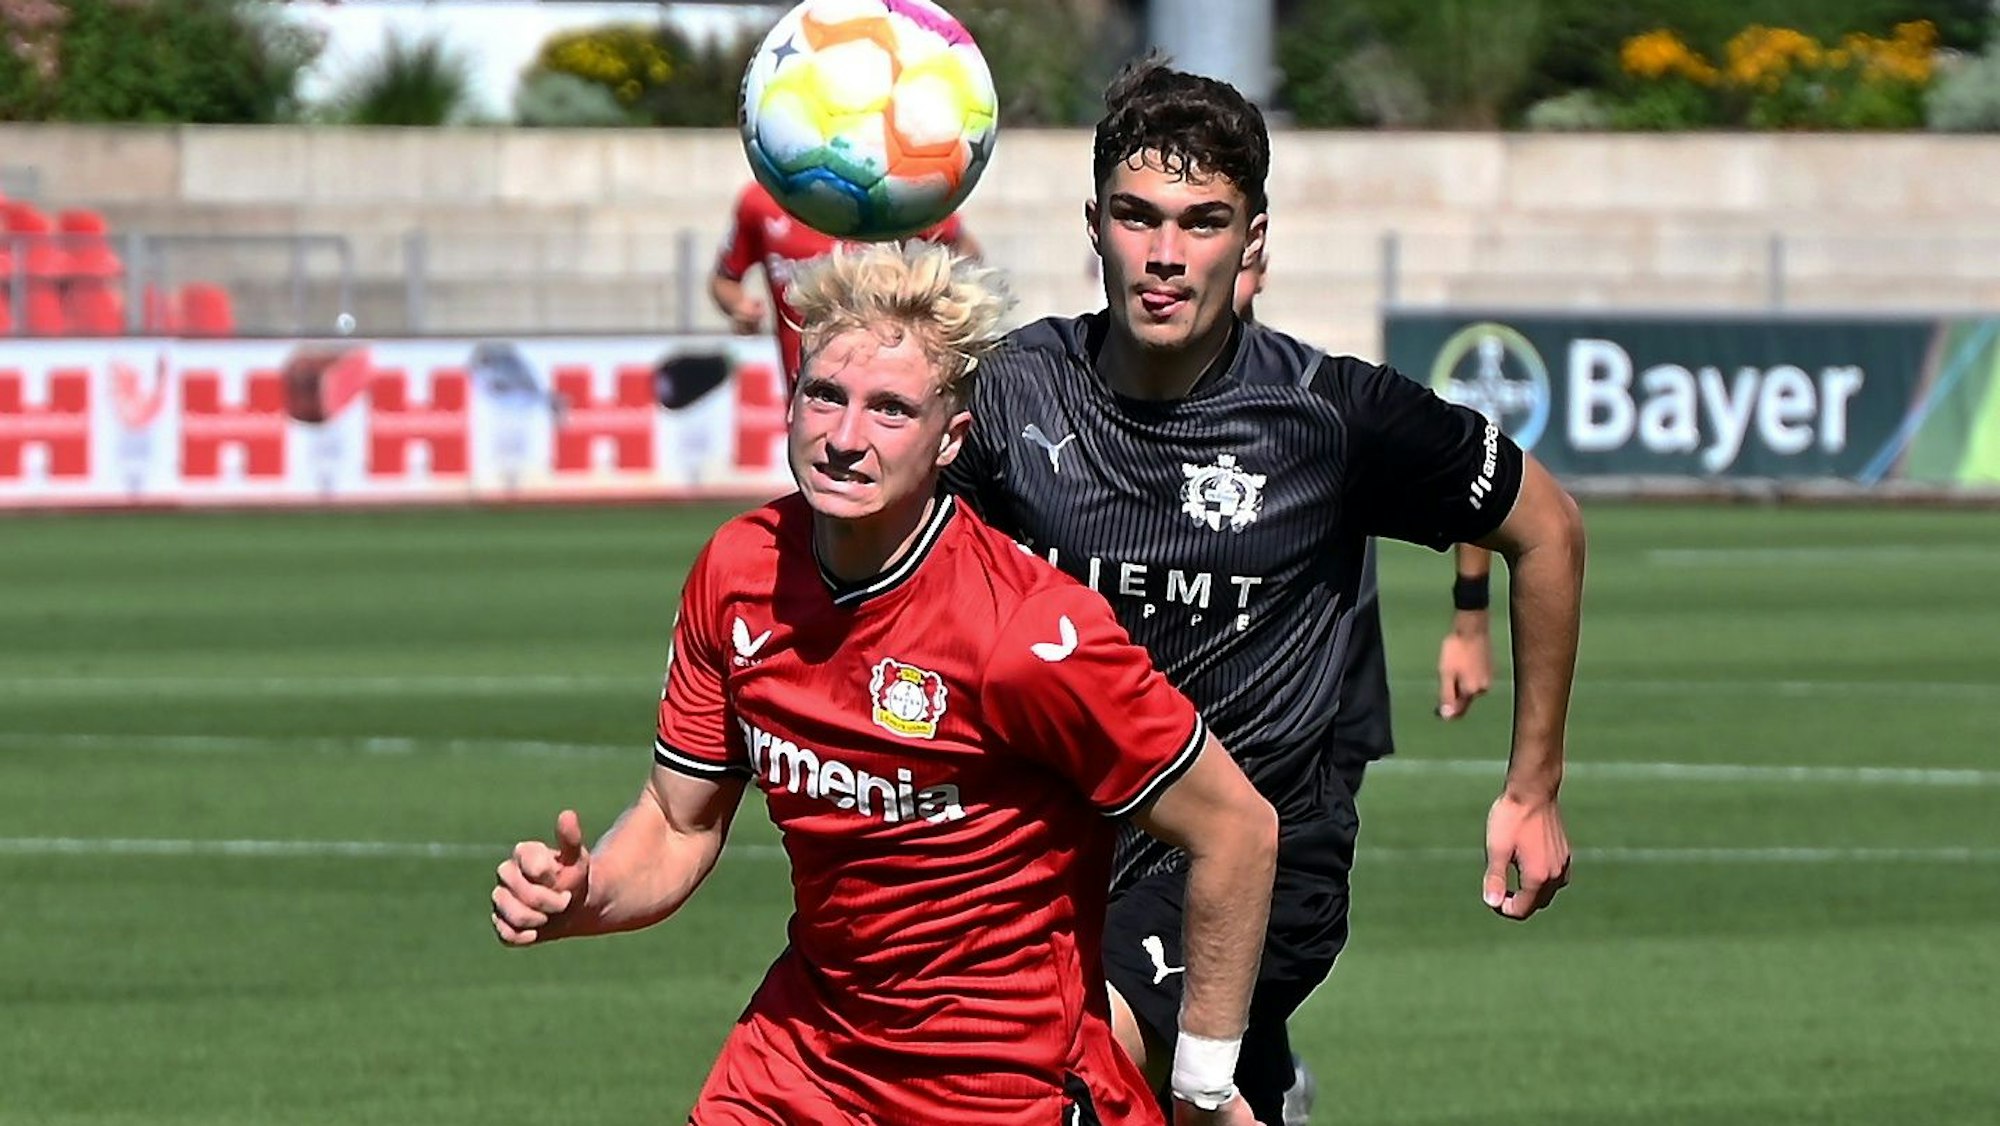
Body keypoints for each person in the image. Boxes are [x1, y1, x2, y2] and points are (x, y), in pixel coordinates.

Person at [492, 240, 1278, 1126]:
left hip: (997, 1090)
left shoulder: (1024, 631)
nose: (844, 437)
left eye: (890, 410)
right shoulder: (738, 568)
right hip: (797, 1065)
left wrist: (1206, 1087)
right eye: (825, 394)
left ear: (951, 439)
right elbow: (678, 823)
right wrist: (587, 895)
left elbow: (1236, 830)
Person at [943, 58, 1586, 1126]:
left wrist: (1531, 788)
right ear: (1090, 225)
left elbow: (1547, 528)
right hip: (1062, 852)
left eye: (1200, 223)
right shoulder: (1012, 388)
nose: (1161, 255)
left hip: (1260, 857)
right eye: (1134, 217)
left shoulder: (1328, 412)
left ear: (1251, 244)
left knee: (1057, 1082)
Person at [709, 179, 985, 384]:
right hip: (806, 390)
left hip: (891, 388)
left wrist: (928, 292)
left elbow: (966, 252)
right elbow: (724, 281)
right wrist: (739, 305)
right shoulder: (760, 201)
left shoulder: (888, 191)